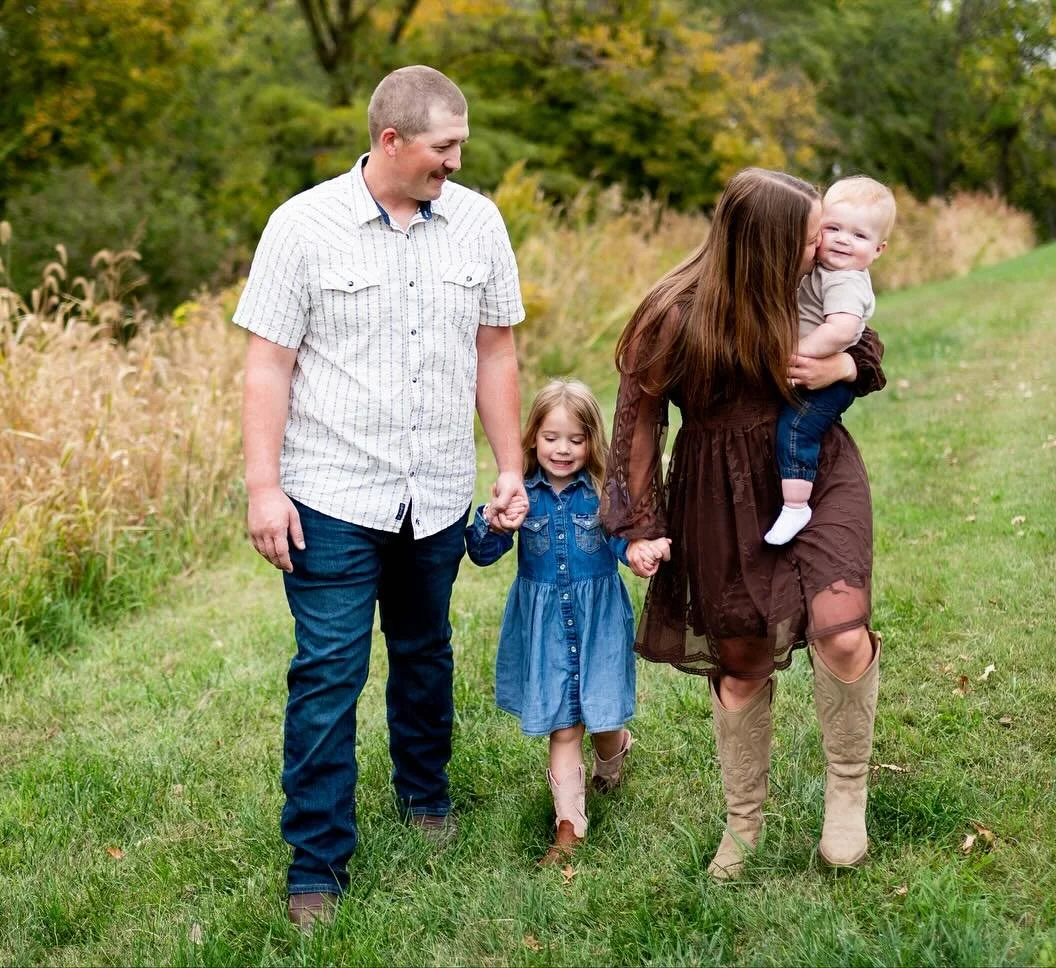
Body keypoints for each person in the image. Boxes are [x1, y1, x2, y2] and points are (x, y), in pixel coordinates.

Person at [234, 65, 528, 930]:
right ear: (391, 142)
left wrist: (508, 467)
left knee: (425, 650)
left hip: (434, 490)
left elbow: (497, 351)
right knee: (327, 674)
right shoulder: (302, 226)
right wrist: (263, 487)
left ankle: (426, 798)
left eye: (461, 146)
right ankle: (316, 862)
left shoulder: (477, 222)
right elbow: (268, 363)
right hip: (329, 489)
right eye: (444, 148)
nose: (457, 163)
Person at [603, 168, 888, 882]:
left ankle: (847, 793)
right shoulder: (674, 312)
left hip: (814, 470)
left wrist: (843, 366)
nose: (826, 242)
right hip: (719, 494)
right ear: (765, 244)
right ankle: (744, 824)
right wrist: (642, 523)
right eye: (812, 232)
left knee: (843, 631)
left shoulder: (811, 284)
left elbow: (864, 341)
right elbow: (639, 421)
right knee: (741, 667)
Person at [464, 380, 669, 865]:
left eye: (576, 439)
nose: (562, 449)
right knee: (564, 725)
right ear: (532, 437)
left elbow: (622, 541)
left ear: (591, 442)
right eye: (552, 437)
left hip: (598, 623)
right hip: (546, 628)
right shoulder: (519, 494)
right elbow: (481, 551)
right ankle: (569, 829)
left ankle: (615, 752)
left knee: (602, 716)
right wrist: (493, 523)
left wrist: (638, 550)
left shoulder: (601, 493)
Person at [765, 176, 897, 545]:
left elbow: (841, 331)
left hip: (829, 381)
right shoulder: (824, 272)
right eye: (833, 228)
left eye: (858, 236)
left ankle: (796, 506)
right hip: (823, 366)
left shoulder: (846, 281)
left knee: (797, 428)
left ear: (878, 249)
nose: (842, 239)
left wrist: (796, 353)